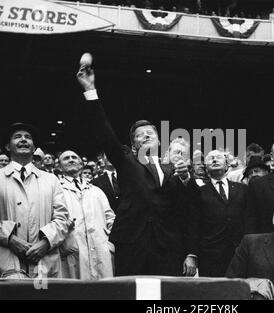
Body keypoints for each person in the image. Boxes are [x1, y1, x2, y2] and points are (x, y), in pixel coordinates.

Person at [76, 59, 198, 276]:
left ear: (159, 141)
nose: (146, 135)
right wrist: (90, 90)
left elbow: (188, 209)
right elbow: (105, 134)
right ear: (133, 145)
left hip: (169, 247)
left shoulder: (175, 168)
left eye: (150, 132)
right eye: (140, 135)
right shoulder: (126, 160)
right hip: (132, 243)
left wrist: (191, 252)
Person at [0, 123, 69, 278]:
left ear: (34, 147)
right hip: (6, 262)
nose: (23, 140)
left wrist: (45, 243)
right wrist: (10, 239)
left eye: (28, 137)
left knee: (43, 295)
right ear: (7, 146)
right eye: (17, 137)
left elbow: (62, 218)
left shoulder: (51, 180)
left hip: (44, 262)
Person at [58, 150, 115, 280]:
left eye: (74, 157)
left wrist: (109, 244)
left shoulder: (96, 190)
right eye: (66, 158)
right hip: (72, 251)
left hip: (101, 250)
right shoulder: (57, 190)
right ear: (60, 166)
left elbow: (110, 218)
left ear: (81, 164)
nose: (71, 160)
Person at [196, 150, 247, 277]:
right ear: (206, 168)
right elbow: (194, 222)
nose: (214, 160)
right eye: (210, 158)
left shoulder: (242, 189)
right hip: (210, 253)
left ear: (226, 166)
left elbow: (249, 218)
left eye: (218, 157)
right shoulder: (199, 192)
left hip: (239, 251)